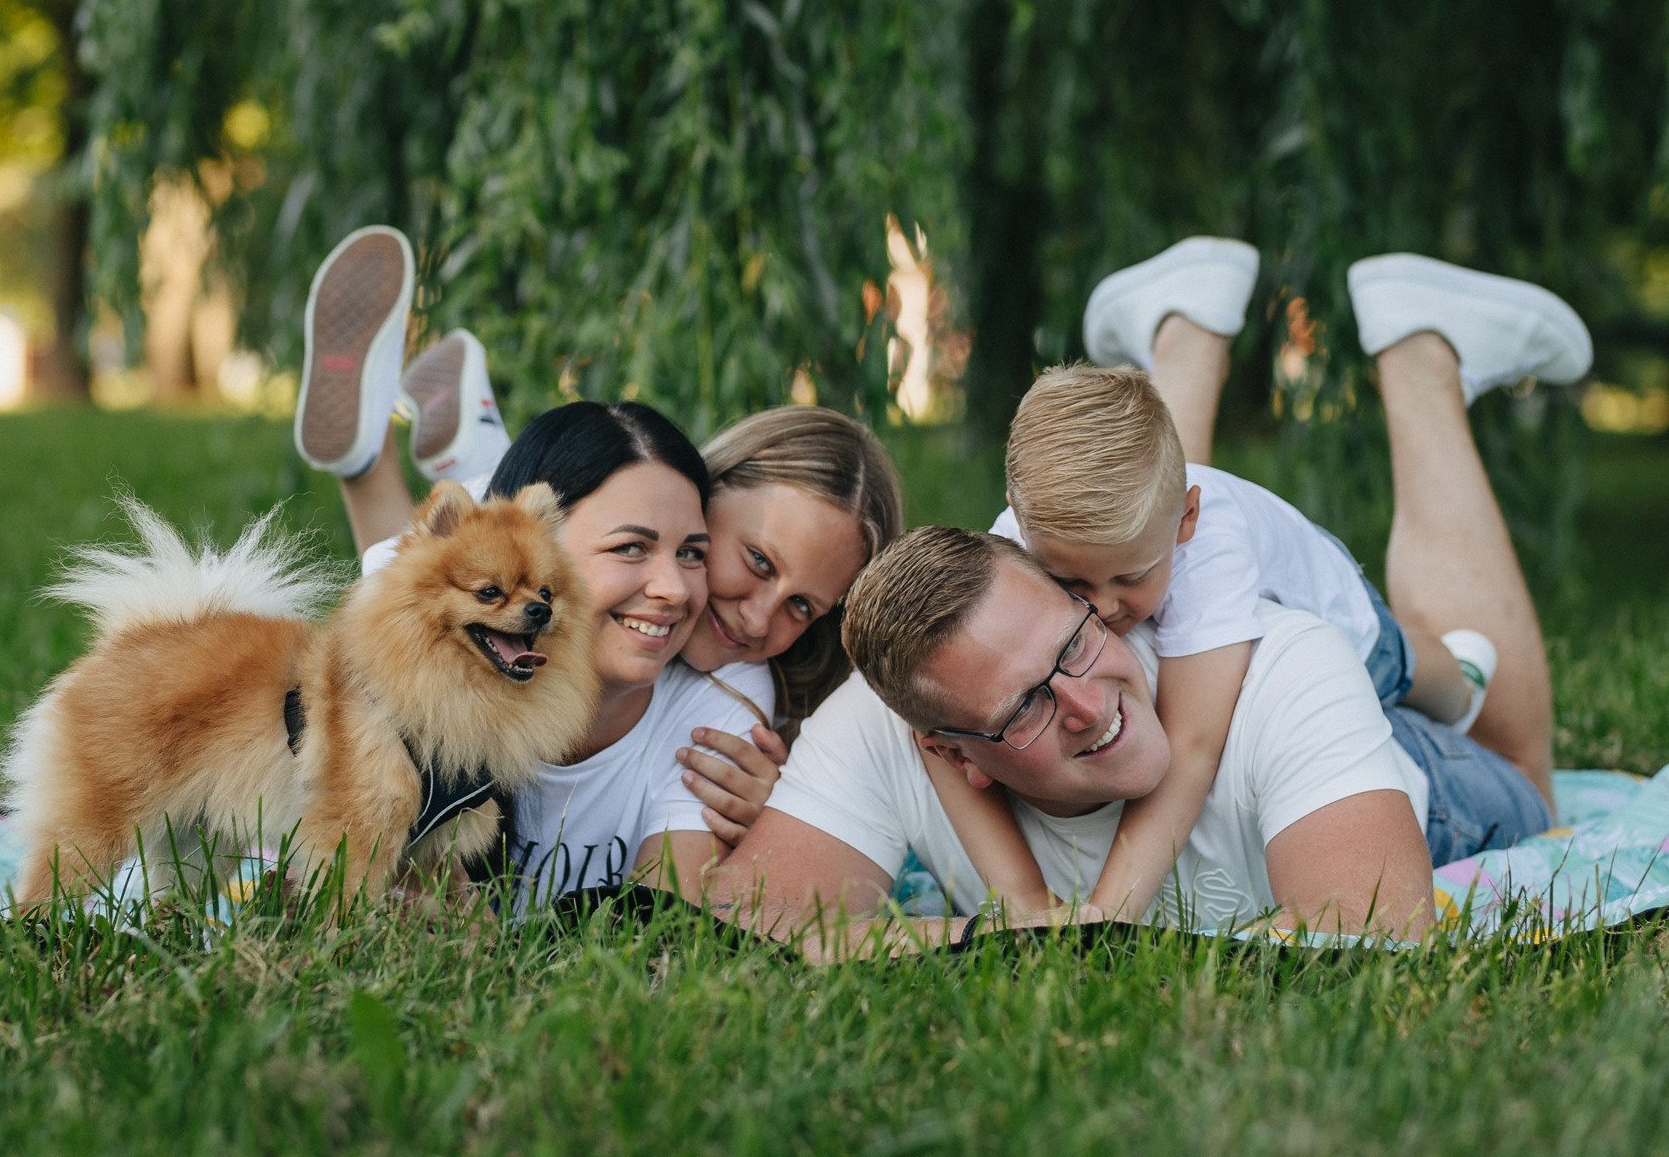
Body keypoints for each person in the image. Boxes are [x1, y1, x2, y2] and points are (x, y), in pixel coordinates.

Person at [704, 252, 1584, 949]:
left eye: (1075, 645)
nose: (1087, 705)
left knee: (1505, 752)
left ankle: (1423, 359)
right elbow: (744, 928)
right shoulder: (995, 605)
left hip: (1396, 720)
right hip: (1142, 533)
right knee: (1126, 526)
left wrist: (1103, 925)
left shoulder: (1266, 641)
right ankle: (1186, 337)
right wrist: (1001, 924)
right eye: (1023, 709)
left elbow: (1373, 926)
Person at [288, 225, 904, 896]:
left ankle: (462, 441)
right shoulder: (604, 523)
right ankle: (374, 456)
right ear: (711, 495)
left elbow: (666, 917)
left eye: (802, 607)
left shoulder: (732, 693)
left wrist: (782, 820)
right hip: (514, 553)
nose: (758, 619)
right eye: (755, 561)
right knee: (452, 558)